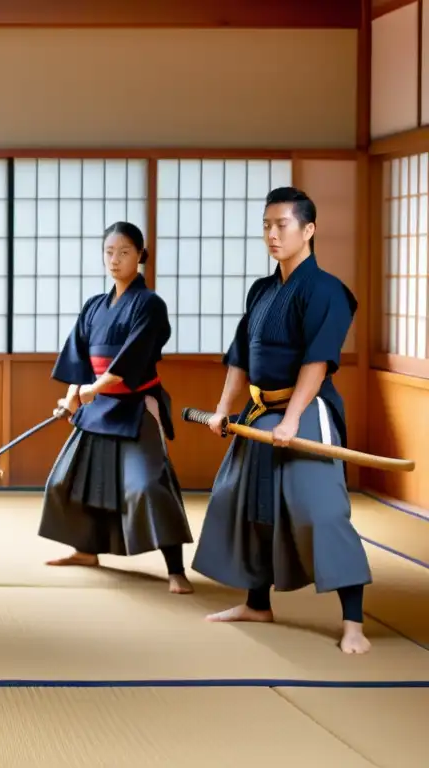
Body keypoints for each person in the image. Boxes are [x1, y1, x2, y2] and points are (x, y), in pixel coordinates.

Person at [191, 186, 371, 655]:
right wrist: (224, 409)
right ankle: (257, 602)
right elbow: (240, 356)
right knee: (245, 500)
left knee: (319, 511)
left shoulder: (326, 290)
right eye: (266, 225)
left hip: (305, 410)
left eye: (282, 225)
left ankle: (353, 621)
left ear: (308, 230)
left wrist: (292, 421)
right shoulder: (262, 290)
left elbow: (317, 361)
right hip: (258, 412)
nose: (272, 234)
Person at [39, 222, 194, 594]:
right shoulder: (94, 305)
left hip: (135, 405)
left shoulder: (150, 304)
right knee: (68, 481)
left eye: (124, 252)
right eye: (109, 251)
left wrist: (92, 389)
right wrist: (73, 394)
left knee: (146, 486)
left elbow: (132, 359)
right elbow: (77, 358)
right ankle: (86, 549)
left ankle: (176, 570)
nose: (115, 259)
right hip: (96, 407)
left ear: (140, 255)